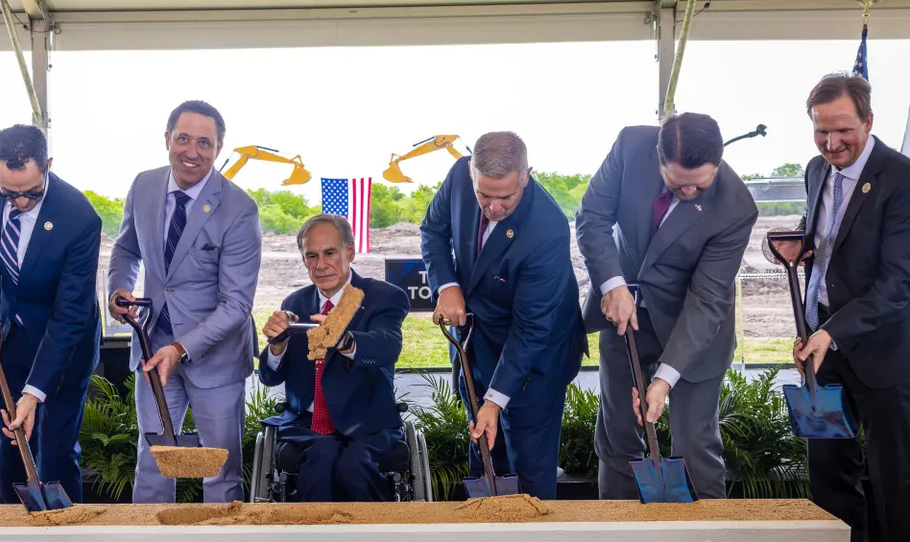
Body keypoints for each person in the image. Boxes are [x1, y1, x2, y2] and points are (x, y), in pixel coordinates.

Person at [574, 112, 758, 501]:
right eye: (677, 183)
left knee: (695, 445)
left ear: (718, 163)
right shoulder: (629, 147)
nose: (689, 191)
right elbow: (592, 219)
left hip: (694, 329)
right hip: (623, 316)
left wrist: (663, 380)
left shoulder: (737, 207)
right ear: (659, 160)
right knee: (619, 438)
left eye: (699, 183)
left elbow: (707, 298)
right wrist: (613, 284)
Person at [771, 73, 910, 542]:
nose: (831, 144)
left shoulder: (902, 178)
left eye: (843, 131)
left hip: (883, 355)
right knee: (828, 467)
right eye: (820, 132)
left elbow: (899, 281)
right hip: (821, 348)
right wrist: (802, 246)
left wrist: (833, 331)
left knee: (895, 475)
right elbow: (832, 241)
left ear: (869, 122)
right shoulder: (815, 170)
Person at [107, 100, 262, 504]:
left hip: (216, 358)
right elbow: (126, 249)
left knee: (220, 470)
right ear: (167, 139)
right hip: (151, 348)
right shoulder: (143, 186)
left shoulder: (240, 209)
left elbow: (236, 305)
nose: (192, 152)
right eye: (184, 139)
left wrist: (179, 349)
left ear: (220, 147)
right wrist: (118, 290)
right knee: (154, 459)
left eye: (204, 143)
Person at [420, 131, 586, 500]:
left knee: (528, 464)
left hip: (537, 353)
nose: (493, 208)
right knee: (483, 449)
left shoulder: (548, 229)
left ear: (526, 176)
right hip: (476, 339)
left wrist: (495, 400)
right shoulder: (458, 177)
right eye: (484, 195)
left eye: (505, 197)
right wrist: (446, 284)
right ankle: (484, 541)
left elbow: (530, 330)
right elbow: (432, 230)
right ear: (471, 174)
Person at [0, 124, 102, 505]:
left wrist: (34, 392)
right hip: (12, 342)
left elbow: (70, 316)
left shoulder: (80, 218)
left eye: (32, 192)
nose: (21, 202)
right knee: (12, 446)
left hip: (64, 346)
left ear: (48, 166)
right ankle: (13, 539)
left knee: (55, 451)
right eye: (10, 193)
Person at [259, 214, 410, 502]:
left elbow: (387, 345)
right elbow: (269, 377)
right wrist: (277, 346)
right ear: (304, 260)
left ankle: (373, 539)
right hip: (308, 424)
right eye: (311, 256)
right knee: (320, 459)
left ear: (349, 252)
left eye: (330, 253)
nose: (321, 264)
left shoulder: (383, 296)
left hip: (368, 424)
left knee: (353, 466)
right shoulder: (295, 304)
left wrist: (346, 340)